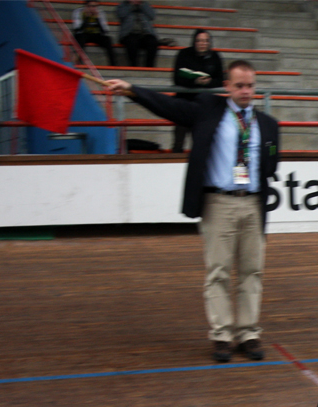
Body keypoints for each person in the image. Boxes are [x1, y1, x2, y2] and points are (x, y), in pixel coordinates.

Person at [106, 60, 279, 363]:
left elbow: (271, 164)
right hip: (218, 202)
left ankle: (249, 332)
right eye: (239, 85)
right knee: (219, 271)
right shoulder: (207, 111)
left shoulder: (267, 124)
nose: (245, 91)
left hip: (253, 204)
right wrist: (132, 90)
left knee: (252, 272)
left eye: (250, 85)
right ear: (227, 86)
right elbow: (166, 107)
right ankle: (223, 334)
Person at [172, 29, 223, 152]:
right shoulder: (183, 54)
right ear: (194, 42)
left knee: (201, 142)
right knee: (179, 140)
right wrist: (195, 82)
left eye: (206, 41)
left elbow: (220, 79)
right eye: (199, 41)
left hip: (204, 105)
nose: (202, 43)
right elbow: (176, 78)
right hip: (183, 103)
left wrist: (208, 82)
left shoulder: (215, 56)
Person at [72, 0, 117, 66]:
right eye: (91, 6)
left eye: (95, 6)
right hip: (83, 33)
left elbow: (104, 30)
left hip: (96, 34)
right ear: (86, 6)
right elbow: (77, 29)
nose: (93, 8)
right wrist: (87, 18)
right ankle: (78, 62)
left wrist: (97, 19)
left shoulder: (100, 13)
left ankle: (113, 64)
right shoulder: (78, 12)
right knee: (80, 39)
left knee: (108, 40)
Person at [116, 0, 158, 68]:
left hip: (144, 33)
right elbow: (121, 15)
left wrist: (142, 5)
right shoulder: (123, 5)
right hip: (129, 33)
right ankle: (134, 66)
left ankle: (149, 67)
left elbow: (152, 16)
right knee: (132, 42)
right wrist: (131, 5)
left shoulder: (145, 4)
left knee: (153, 42)